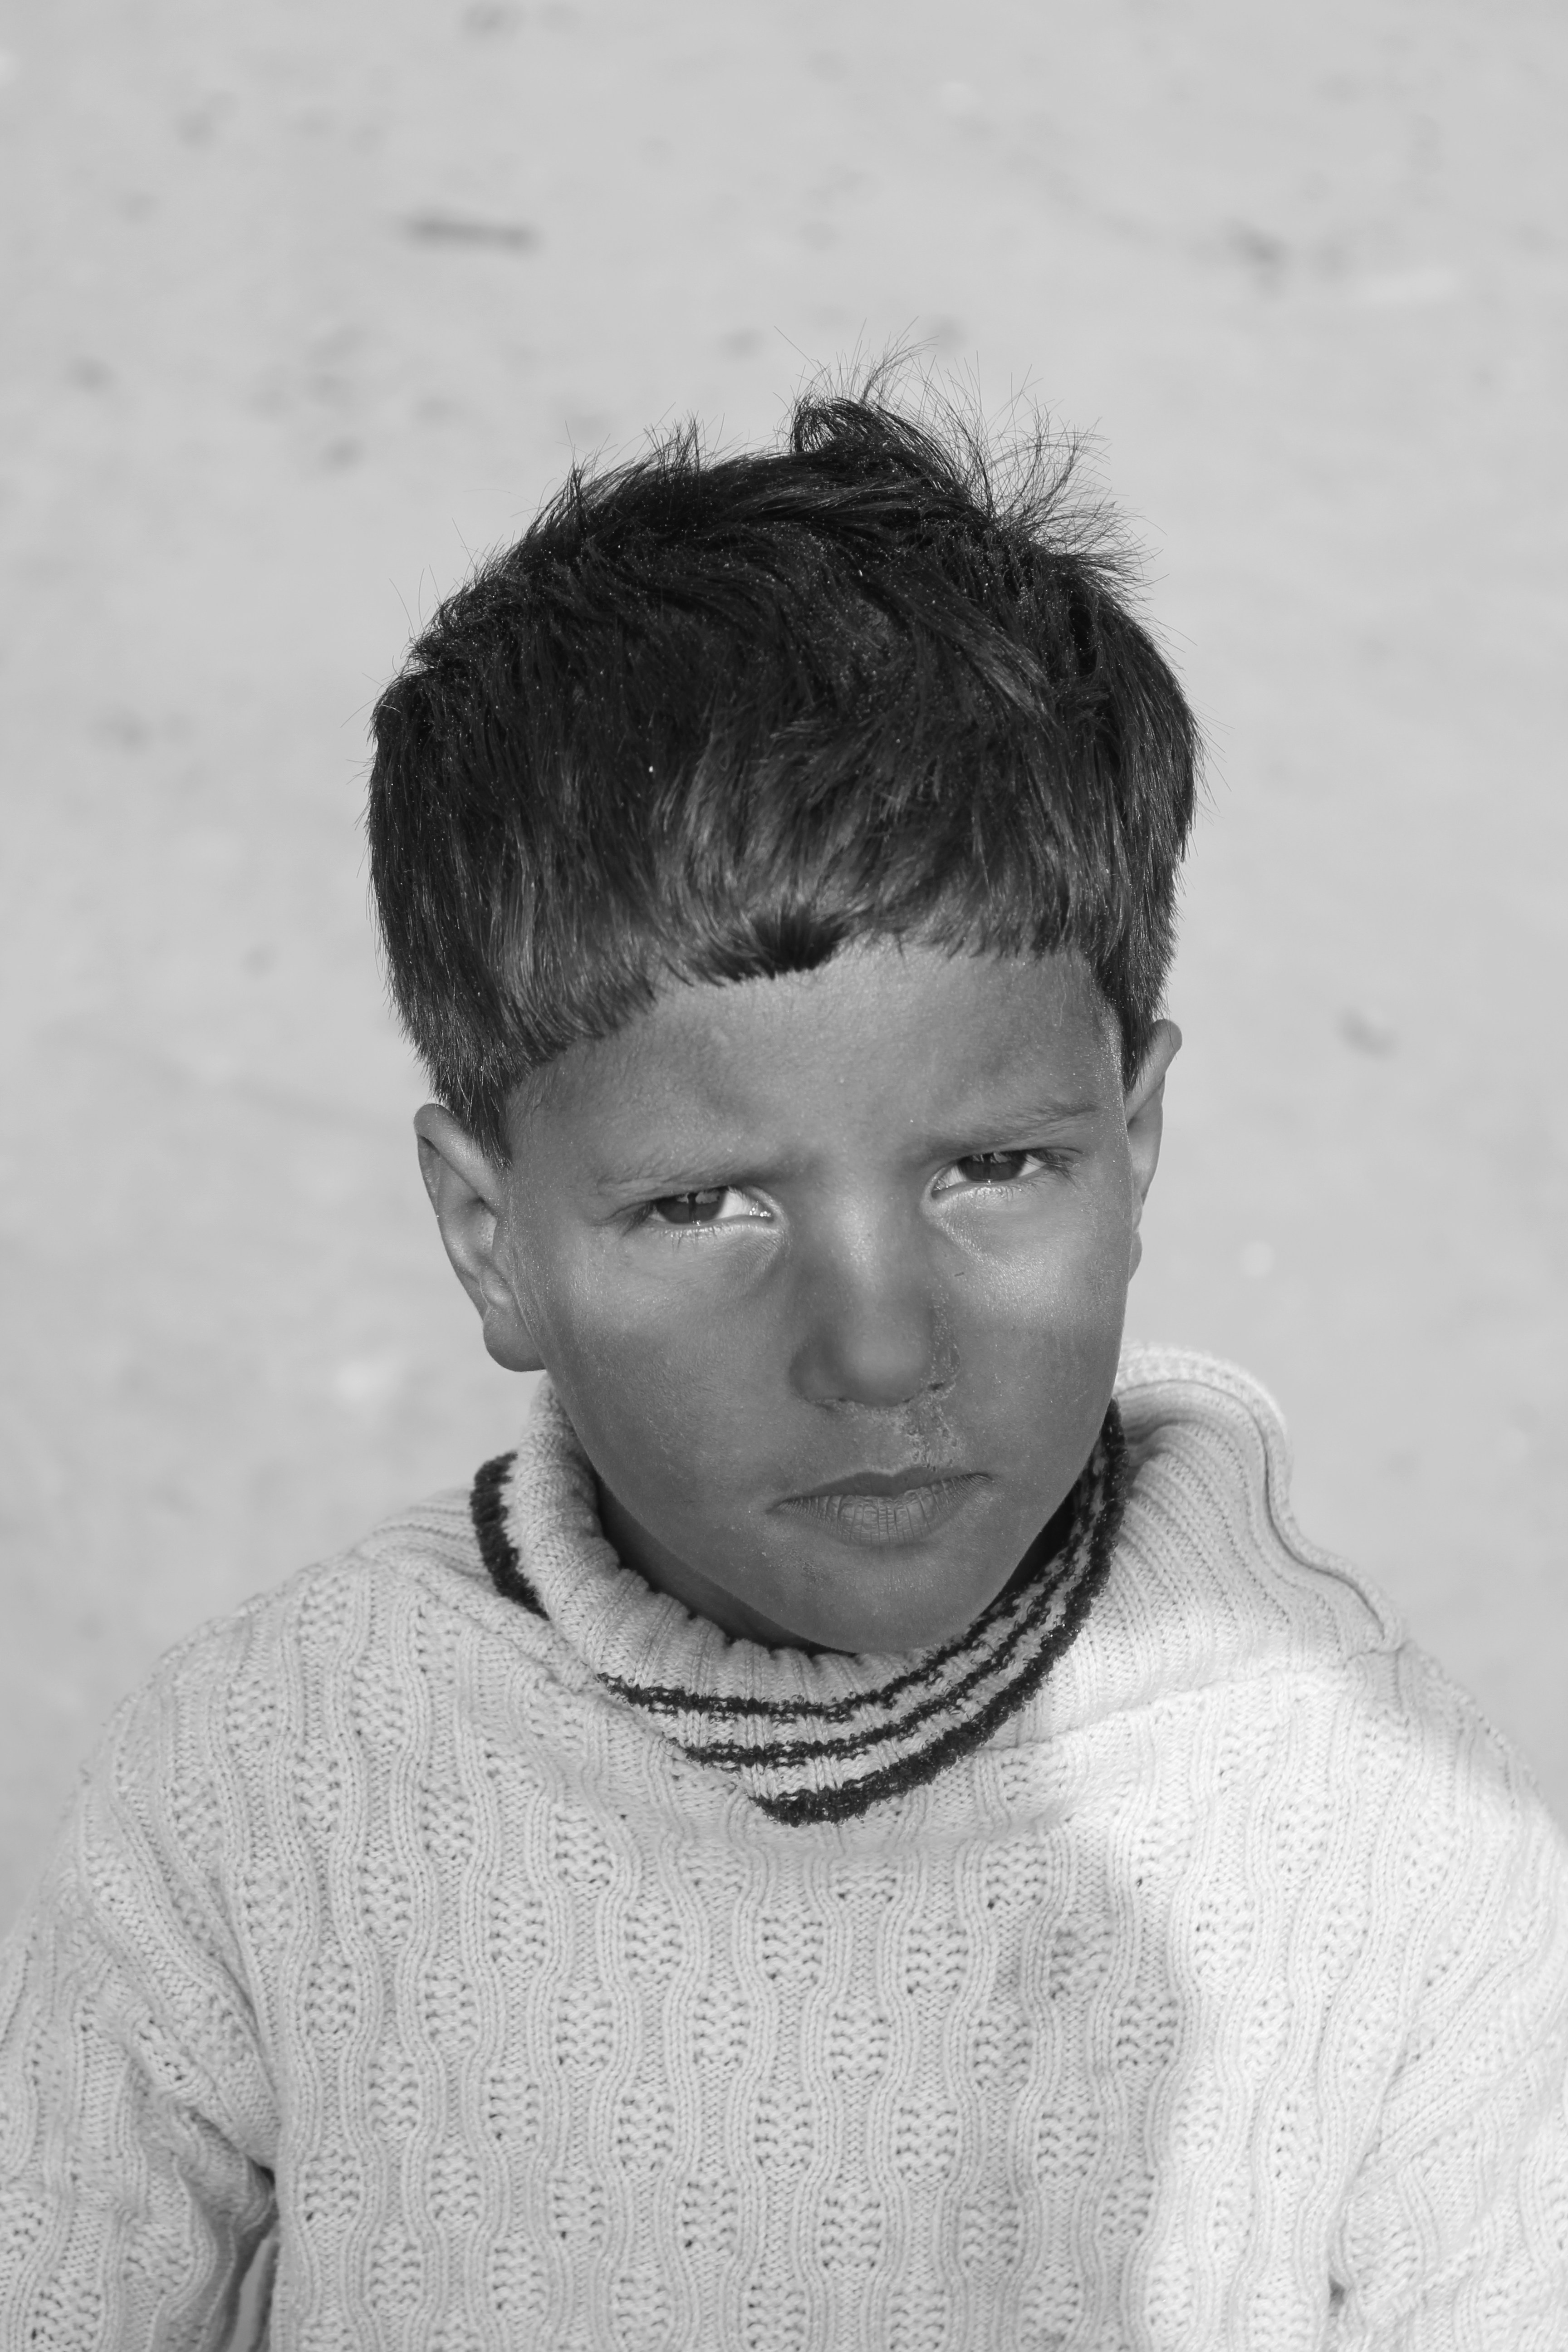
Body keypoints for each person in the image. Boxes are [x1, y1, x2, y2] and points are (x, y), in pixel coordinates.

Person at [3, 379, 1566, 2352]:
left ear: (1139, 1143)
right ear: (490, 1237)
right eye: (707, 1206)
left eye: (994, 1169)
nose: (880, 1346)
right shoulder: (266, 1793)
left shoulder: (1392, 1859)